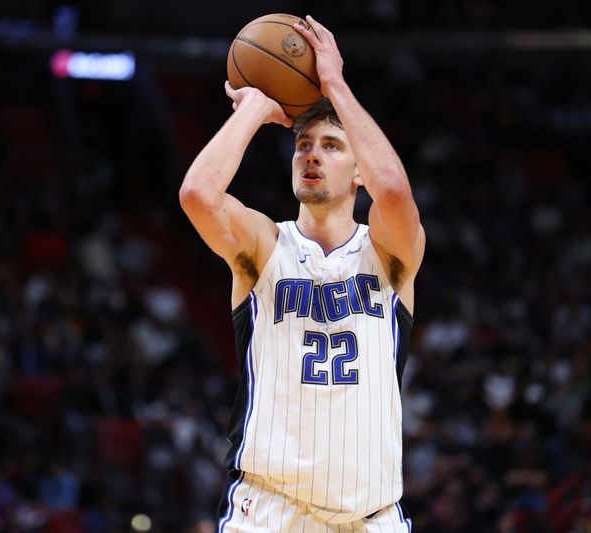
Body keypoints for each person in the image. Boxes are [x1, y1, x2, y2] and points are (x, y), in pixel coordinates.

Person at [179, 15, 425, 532]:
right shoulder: (265, 246)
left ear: (360, 173)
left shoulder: (388, 254)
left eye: (331, 146)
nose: (312, 153)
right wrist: (254, 110)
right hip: (269, 511)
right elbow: (198, 196)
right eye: (303, 144)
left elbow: (397, 193)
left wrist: (334, 82)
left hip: (371, 517)